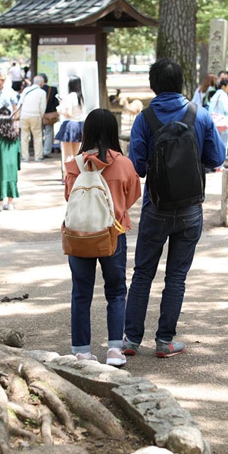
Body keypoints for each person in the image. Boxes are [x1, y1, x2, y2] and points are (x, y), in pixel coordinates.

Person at [124, 59, 225, 359]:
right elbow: (217, 158)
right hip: (191, 208)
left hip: (156, 205)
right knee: (176, 277)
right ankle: (165, 340)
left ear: (153, 85)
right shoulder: (200, 115)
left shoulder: (145, 118)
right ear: (181, 83)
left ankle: (130, 340)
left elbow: (137, 167)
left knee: (142, 273)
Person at [64, 109, 141, 366]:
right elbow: (133, 195)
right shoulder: (124, 164)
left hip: (80, 235)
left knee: (81, 293)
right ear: (112, 131)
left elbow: (69, 197)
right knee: (116, 292)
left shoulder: (74, 165)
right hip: (113, 234)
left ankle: (82, 351)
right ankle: (115, 350)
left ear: (86, 132)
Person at [0, 106, 21, 211]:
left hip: (0, 165)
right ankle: (10, 204)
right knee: (12, 182)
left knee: (0, 182)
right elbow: (19, 153)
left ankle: (0, 204)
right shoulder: (15, 139)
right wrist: (18, 165)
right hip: (12, 165)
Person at [56, 76, 86, 170]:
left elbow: (68, 114)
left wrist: (59, 110)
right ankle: (77, 174)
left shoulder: (70, 96)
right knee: (76, 154)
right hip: (79, 125)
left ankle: (67, 176)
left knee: (68, 154)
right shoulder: (80, 96)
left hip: (70, 125)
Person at [18, 76, 46, 162]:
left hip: (24, 115)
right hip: (35, 115)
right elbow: (42, 107)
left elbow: (20, 103)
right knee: (37, 136)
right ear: (41, 83)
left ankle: (25, 156)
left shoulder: (26, 90)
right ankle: (38, 156)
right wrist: (41, 116)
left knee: (24, 136)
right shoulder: (42, 92)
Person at [208, 78, 228, 157]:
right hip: (223, 123)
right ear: (223, 86)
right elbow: (227, 109)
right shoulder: (223, 95)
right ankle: (220, 165)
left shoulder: (215, 95)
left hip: (214, 123)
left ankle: (215, 165)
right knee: (224, 144)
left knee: (215, 144)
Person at [40, 73, 58, 158]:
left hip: (39, 115)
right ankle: (46, 151)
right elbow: (56, 103)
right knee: (49, 133)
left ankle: (39, 152)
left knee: (38, 134)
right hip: (49, 116)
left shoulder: (37, 89)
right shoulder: (53, 89)